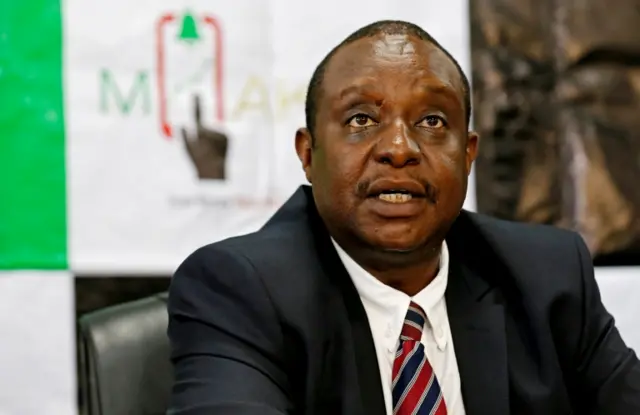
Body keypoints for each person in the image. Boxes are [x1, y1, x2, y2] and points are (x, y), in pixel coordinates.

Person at [166, 20, 640, 415]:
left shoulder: (546, 276)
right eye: (361, 120)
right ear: (308, 155)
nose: (398, 149)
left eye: (432, 121)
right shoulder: (238, 292)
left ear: (468, 154)